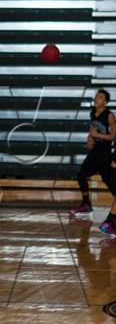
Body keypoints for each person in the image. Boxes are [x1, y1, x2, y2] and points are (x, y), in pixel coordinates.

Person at [70, 89, 115, 224]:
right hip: (94, 151)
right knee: (81, 175)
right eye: (96, 96)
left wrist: (97, 136)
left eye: (100, 97)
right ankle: (86, 204)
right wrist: (90, 138)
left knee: (111, 184)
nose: (96, 98)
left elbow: (113, 136)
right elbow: (93, 131)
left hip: (105, 153)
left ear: (105, 102)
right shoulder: (92, 113)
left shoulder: (109, 115)